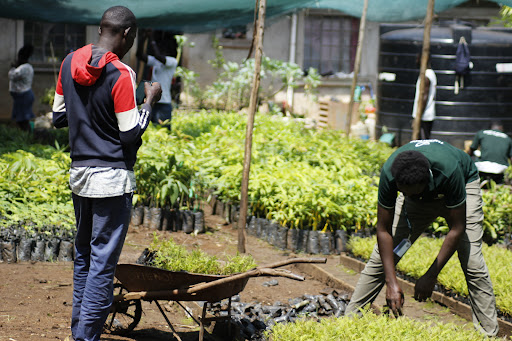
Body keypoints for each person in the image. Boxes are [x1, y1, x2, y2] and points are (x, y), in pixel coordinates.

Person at [52, 6, 162, 341]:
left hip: (80, 175)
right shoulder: (121, 73)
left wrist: (85, 109)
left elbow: (58, 117)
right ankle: (86, 337)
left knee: (84, 257)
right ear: (127, 33)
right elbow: (130, 134)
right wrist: (150, 102)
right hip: (112, 180)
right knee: (102, 266)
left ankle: (80, 333)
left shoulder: (69, 63)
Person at [346, 139, 499, 337]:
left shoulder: (449, 171)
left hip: (462, 184)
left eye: (409, 192)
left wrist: (430, 275)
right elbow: (383, 231)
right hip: (418, 198)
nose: (404, 195)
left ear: (425, 182)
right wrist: (391, 282)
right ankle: (348, 321)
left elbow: (457, 227)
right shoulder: (391, 174)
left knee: (472, 262)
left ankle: (489, 333)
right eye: (402, 192)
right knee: (381, 259)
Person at [136, 29, 178, 129]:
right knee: (151, 130)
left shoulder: (172, 62)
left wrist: (151, 39)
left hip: (164, 103)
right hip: (153, 102)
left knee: (163, 131)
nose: (160, 48)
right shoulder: (156, 61)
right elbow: (139, 55)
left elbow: (158, 56)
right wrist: (144, 38)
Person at [8, 44, 35, 131]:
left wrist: (13, 67)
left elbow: (12, 75)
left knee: (23, 121)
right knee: (21, 120)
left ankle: (29, 138)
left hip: (24, 96)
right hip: (22, 96)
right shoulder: (24, 67)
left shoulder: (25, 68)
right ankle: (27, 137)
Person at [412, 54, 437, 139]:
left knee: (422, 141)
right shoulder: (430, 73)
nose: (416, 61)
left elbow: (424, 97)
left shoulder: (427, 75)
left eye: (418, 59)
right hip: (426, 115)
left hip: (424, 116)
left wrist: (418, 117)